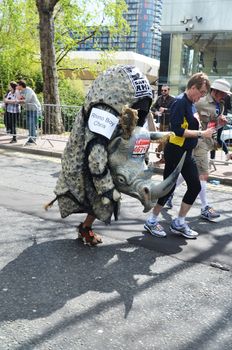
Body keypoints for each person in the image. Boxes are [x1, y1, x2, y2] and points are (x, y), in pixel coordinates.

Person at [144, 72, 214, 239]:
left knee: (195, 186)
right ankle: (152, 221)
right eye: (202, 92)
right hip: (176, 151)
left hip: (186, 153)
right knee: (168, 187)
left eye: (205, 94)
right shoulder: (180, 102)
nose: (202, 96)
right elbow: (177, 130)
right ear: (192, 87)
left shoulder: (190, 103)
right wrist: (201, 133)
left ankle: (179, 222)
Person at [151, 85, 175, 161]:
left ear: (168, 90)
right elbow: (153, 107)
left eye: (165, 90)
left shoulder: (173, 99)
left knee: (166, 140)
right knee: (162, 139)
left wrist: (165, 109)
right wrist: (156, 112)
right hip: (161, 122)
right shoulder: (159, 98)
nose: (163, 92)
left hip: (169, 123)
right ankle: (160, 152)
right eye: (162, 90)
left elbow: (174, 110)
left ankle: (162, 156)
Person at [16, 80, 41, 144]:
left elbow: (26, 100)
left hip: (35, 109)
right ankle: (31, 137)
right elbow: (20, 101)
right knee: (29, 125)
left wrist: (20, 100)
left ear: (21, 85)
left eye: (17, 85)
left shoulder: (28, 90)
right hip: (28, 110)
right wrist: (17, 93)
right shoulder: (21, 91)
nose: (16, 86)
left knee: (31, 124)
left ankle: (32, 139)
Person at [210, 93, 231, 162]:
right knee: (216, 138)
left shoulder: (219, 98)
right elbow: (229, 107)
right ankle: (226, 153)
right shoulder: (226, 96)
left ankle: (212, 158)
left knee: (215, 138)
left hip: (219, 120)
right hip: (220, 119)